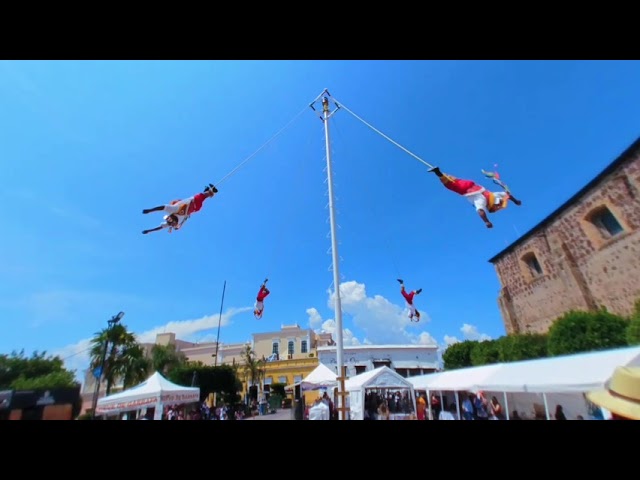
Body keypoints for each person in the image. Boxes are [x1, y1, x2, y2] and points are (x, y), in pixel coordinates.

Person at [427, 166, 521, 229]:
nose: (497, 206)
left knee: (450, 181)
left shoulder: (493, 195)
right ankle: (438, 172)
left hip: (469, 186)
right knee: (450, 182)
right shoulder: (484, 199)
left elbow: (507, 195)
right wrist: (487, 222)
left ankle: (438, 172)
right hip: (469, 189)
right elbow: (481, 210)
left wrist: (516, 201)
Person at [142, 184, 218, 234]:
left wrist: (150, 210)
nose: (171, 220)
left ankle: (209, 191)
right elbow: (159, 228)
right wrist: (149, 231)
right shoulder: (176, 223)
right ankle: (208, 191)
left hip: (191, 201)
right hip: (194, 208)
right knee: (201, 199)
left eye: (169, 220)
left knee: (200, 197)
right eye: (171, 222)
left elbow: (162, 207)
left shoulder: (173, 209)